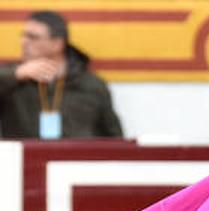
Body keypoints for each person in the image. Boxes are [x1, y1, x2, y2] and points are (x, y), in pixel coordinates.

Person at [0, 10, 122, 139]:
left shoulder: (91, 85)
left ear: (57, 44)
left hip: (75, 157)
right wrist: (16, 74)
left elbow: (114, 136)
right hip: (24, 157)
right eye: (24, 36)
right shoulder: (12, 79)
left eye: (33, 37)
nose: (24, 42)